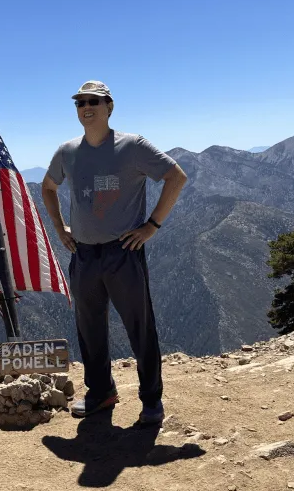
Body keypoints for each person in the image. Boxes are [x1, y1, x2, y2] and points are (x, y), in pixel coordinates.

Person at [42, 80, 187, 424]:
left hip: (123, 252)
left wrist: (152, 225)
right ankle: (101, 393)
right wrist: (59, 227)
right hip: (84, 253)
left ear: (109, 106)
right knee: (89, 329)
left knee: (140, 328)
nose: (86, 107)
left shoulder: (133, 146)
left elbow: (176, 177)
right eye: (80, 102)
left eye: (94, 101)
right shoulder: (67, 152)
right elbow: (48, 187)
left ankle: (152, 401)